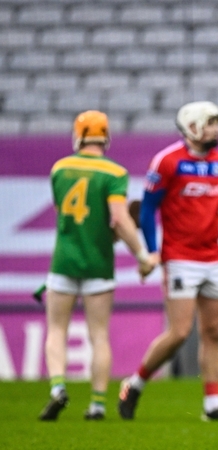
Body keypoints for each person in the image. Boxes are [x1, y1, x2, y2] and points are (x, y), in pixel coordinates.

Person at [118, 101, 218, 421]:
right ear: (192, 127)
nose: (217, 129)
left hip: (213, 259)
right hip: (179, 258)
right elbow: (148, 209)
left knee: (213, 332)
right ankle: (135, 384)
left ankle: (213, 405)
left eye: (217, 123)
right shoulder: (167, 161)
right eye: (210, 123)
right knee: (179, 332)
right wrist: (152, 250)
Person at [39, 110, 155, 421]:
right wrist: (142, 257)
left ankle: (57, 387)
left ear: (78, 136)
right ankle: (97, 404)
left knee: (56, 330)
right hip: (98, 263)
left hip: (63, 261)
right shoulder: (114, 173)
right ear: (106, 137)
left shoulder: (59, 168)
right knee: (99, 335)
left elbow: (65, 214)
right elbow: (118, 219)